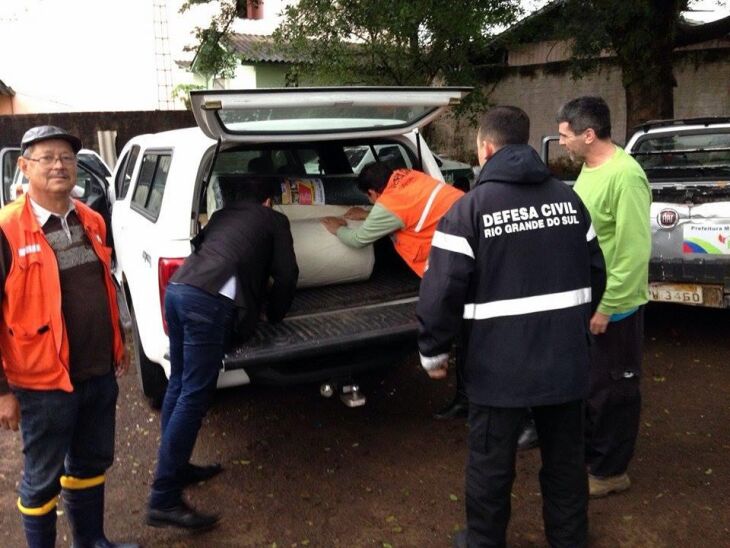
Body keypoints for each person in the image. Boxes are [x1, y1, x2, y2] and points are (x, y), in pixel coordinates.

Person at [417, 106, 606, 547]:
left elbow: (441, 290)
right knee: (564, 459)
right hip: (565, 362)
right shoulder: (569, 199)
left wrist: (434, 351)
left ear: (485, 148)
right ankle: (570, 538)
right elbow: (596, 273)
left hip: (497, 367)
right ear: (525, 143)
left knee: (490, 462)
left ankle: (483, 541)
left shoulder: (469, 210)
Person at [0, 126, 136, 548]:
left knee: (91, 461)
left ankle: (91, 541)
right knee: (41, 479)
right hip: (42, 384)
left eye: (67, 158)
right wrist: (3, 391)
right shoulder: (6, 229)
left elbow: (103, 289)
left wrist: (120, 342)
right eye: (47, 157)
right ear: (24, 167)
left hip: (96, 371)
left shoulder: (90, 219)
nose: (59, 165)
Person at [146, 176, 299, 530]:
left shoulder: (219, 217)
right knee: (195, 394)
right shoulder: (274, 220)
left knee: (180, 384)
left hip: (179, 289)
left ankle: (177, 467)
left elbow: (206, 249)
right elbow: (287, 275)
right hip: (208, 303)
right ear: (268, 201)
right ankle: (163, 498)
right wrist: (274, 314)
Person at [557, 96, 651, 498]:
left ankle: (611, 472)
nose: (561, 142)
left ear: (589, 134)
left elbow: (633, 251)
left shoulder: (625, 176)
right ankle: (594, 457)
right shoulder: (588, 169)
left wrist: (608, 306)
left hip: (616, 308)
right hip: (591, 300)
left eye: (565, 135)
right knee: (592, 386)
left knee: (615, 390)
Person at [320, 163, 468, 419]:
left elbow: (359, 240)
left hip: (452, 266)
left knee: (463, 332)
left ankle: (460, 388)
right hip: (472, 243)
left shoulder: (390, 204)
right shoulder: (411, 178)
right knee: (468, 333)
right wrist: (370, 213)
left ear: (373, 193)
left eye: (371, 199)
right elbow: (411, 209)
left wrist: (338, 229)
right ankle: (466, 396)